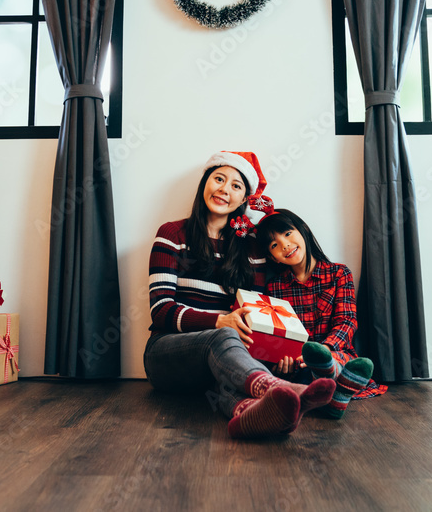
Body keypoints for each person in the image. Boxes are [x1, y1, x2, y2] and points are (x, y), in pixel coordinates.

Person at [144, 152, 335, 439]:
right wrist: (221, 321)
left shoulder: (251, 249)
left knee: (227, 376)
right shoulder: (172, 234)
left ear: (244, 199)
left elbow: (255, 316)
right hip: (166, 356)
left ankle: (250, 413)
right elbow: (160, 310)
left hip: (221, 365)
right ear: (204, 184)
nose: (224, 189)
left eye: (236, 186)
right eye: (219, 179)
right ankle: (277, 388)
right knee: (223, 336)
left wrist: (276, 353)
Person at [256, 208, 387, 419]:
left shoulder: (339, 273)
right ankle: (337, 397)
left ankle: (330, 377)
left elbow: (347, 321)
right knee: (299, 381)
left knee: (337, 365)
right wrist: (284, 360)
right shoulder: (274, 288)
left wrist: (325, 350)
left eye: (288, 234)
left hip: (336, 353)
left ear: (303, 231)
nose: (285, 245)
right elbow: (278, 334)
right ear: (274, 258)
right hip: (299, 364)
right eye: (274, 245)